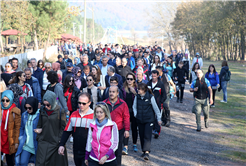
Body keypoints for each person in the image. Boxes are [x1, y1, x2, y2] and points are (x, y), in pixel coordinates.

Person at [59, 92, 94, 166]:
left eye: (83, 103)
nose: (81, 105)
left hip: (89, 151)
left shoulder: (94, 116)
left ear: (89, 103)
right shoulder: (74, 114)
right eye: (79, 103)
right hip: (76, 150)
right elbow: (67, 131)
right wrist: (62, 144)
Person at [34, 91, 68, 166]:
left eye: (48, 105)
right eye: (44, 104)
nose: (46, 106)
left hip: (54, 142)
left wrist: (59, 140)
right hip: (43, 141)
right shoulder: (42, 110)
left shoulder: (60, 111)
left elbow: (63, 128)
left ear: (52, 102)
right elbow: (39, 124)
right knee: (40, 163)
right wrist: (39, 135)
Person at [133, 83, 162, 160]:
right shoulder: (137, 97)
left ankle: (147, 152)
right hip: (140, 119)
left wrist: (159, 119)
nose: (137, 90)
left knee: (147, 135)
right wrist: (136, 115)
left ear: (143, 90)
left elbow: (156, 108)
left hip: (149, 119)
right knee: (142, 135)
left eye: (139, 89)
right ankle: (144, 150)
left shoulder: (150, 97)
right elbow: (134, 106)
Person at [103, 86, 130, 166]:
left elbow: (126, 117)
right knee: (106, 150)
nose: (111, 93)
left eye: (113, 92)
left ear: (117, 93)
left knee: (118, 150)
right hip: (106, 130)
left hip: (119, 130)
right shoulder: (104, 103)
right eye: (110, 92)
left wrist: (127, 130)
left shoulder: (123, 104)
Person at [15, 97, 40, 166]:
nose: (28, 110)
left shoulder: (40, 115)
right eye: (26, 108)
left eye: (30, 108)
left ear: (34, 106)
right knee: (22, 163)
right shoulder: (24, 115)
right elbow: (22, 128)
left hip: (37, 145)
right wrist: (21, 137)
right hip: (26, 145)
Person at [0, 90, 21, 166]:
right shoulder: (0, 108)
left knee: (10, 161)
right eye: (3, 100)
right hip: (1, 137)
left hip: (9, 140)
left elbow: (17, 128)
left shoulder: (16, 111)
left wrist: (16, 142)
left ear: (11, 100)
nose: (5, 102)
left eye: (7, 100)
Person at [121, 73, 138, 155]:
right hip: (125, 111)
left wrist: (135, 92)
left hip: (134, 111)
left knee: (134, 128)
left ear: (134, 80)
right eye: (128, 79)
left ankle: (134, 144)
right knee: (126, 129)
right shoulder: (123, 88)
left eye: (131, 79)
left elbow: (140, 98)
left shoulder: (137, 88)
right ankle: (125, 146)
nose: (129, 80)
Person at [147, 70, 166, 138]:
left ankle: (157, 131)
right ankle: (150, 129)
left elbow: (164, 95)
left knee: (158, 117)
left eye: (155, 76)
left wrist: (160, 101)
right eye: (152, 76)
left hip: (158, 103)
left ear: (158, 76)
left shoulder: (160, 84)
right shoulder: (148, 83)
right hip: (149, 103)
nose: (153, 77)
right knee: (150, 117)